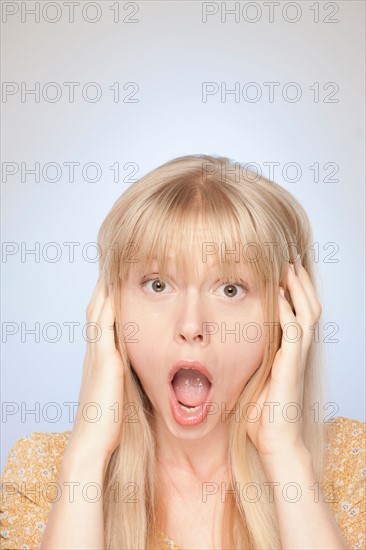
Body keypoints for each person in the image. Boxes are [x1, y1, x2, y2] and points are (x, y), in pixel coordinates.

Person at [1, 154, 365, 550]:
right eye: (158, 285)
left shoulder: (351, 465)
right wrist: (87, 457)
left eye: (230, 289)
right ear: (110, 308)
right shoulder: (40, 474)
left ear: (288, 313)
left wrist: (286, 456)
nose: (191, 326)